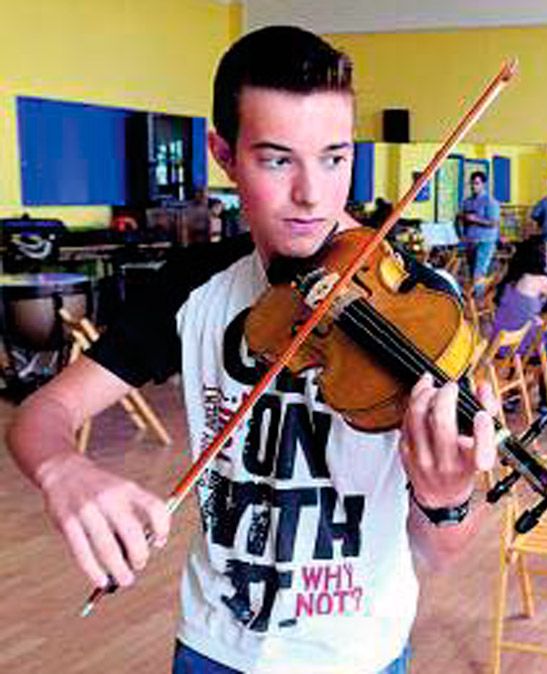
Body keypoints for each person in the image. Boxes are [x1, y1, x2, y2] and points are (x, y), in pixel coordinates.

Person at [5, 26, 499, 674]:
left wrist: (448, 500)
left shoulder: (417, 301)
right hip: (213, 646)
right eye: (276, 159)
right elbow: (41, 414)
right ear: (223, 154)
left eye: (333, 157)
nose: (313, 195)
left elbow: (443, 551)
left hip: (358, 655)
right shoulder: (192, 286)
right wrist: (64, 471)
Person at [490, 234, 547, 411]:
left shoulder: (511, 276)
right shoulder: (540, 281)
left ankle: (516, 394)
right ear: (541, 258)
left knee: (544, 336)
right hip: (521, 346)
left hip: (500, 344)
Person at [458, 170, 501, 297]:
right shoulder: (467, 201)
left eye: (476, 183)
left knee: (478, 272)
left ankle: (478, 299)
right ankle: (474, 301)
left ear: (483, 184)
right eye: (472, 184)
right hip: (470, 241)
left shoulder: (490, 201)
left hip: (485, 242)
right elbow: (464, 220)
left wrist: (475, 219)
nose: (473, 186)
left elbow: (494, 223)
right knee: (472, 272)